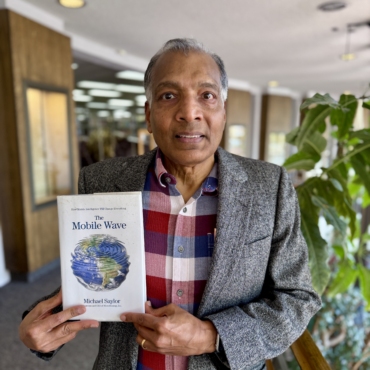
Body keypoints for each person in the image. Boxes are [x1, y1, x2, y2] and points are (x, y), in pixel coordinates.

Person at [19, 38, 321, 370]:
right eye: (168, 96)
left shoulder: (269, 188)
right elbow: (89, 276)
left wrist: (211, 335)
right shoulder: (101, 182)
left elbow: (297, 299)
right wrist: (43, 326)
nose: (189, 113)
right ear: (149, 115)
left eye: (206, 96)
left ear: (222, 110)